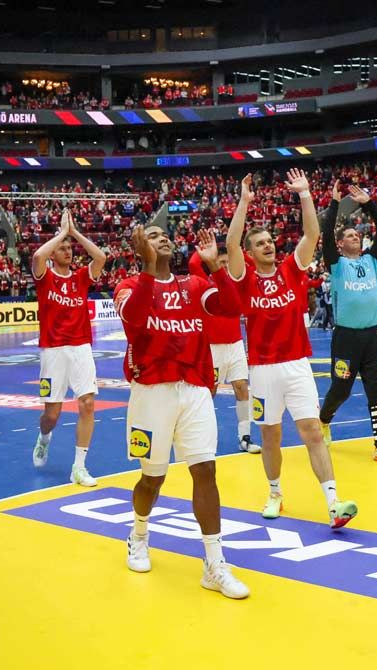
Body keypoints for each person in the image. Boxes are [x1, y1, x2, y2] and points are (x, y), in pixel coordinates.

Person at [116, 225, 249, 599]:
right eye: (153, 234)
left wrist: (215, 269)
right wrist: (146, 266)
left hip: (195, 388)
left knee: (206, 470)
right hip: (151, 392)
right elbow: (137, 320)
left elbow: (232, 308)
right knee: (151, 480)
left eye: (165, 234)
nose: (163, 237)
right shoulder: (127, 286)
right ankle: (139, 534)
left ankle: (214, 564)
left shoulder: (193, 284)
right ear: (140, 245)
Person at [226, 171, 359, 528]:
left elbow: (313, 234)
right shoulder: (245, 280)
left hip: (297, 364)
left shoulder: (291, 269)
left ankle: (333, 502)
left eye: (271, 241)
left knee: (313, 432)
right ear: (251, 254)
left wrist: (304, 195)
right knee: (270, 435)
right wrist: (244, 202)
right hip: (264, 369)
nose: (269, 245)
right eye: (261, 244)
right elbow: (230, 245)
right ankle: (274, 493)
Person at [318, 181, 377, 466]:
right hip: (346, 338)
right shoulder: (336, 263)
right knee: (341, 389)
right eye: (350, 235)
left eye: (357, 234)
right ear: (340, 243)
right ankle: (324, 420)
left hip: (372, 337)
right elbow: (326, 235)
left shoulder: (372, 260)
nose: (356, 237)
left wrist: (368, 203)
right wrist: (335, 203)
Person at [30, 208, 106, 487]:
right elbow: (38, 256)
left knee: (87, 403)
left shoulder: (81, 279)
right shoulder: (45, 277)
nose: (67, 251)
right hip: (53, 350)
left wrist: (74, 233)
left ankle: (79, 467)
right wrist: (61, 233)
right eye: (62, 248)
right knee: (52, 414)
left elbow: (100, 257)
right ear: (53, 252)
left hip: (80, 347)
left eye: (69, 248)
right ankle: (44, 437)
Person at [188, 243, 261, 455]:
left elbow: (251, 264)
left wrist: (235, 248)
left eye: (228, 262)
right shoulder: (204, 282)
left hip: (236, 343)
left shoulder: (236, 283)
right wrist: (205, 249)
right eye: (222, 262)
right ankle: (200, 435)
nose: (225, 265)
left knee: (241, 387)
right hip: (212, 348)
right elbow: (193, 262)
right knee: (209, 392)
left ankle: (245, 437)